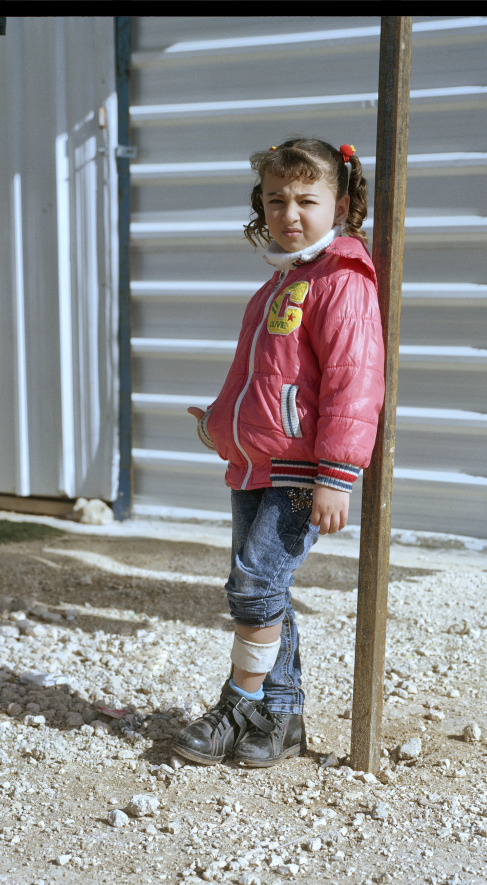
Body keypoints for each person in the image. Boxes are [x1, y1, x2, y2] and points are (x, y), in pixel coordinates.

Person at [172, 138, 385, 768]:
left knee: (255, 584)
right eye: (275, 199)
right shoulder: (284, 280)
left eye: (306, 200)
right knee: (268, 587)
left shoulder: (342, 279)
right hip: (259, 461)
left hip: (303, 467)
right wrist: (219, 422)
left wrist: (337, 476)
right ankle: (281, 715)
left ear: (341, 204)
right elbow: (256, 373)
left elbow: (354, 379)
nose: (289, 213)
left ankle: (238, 700)